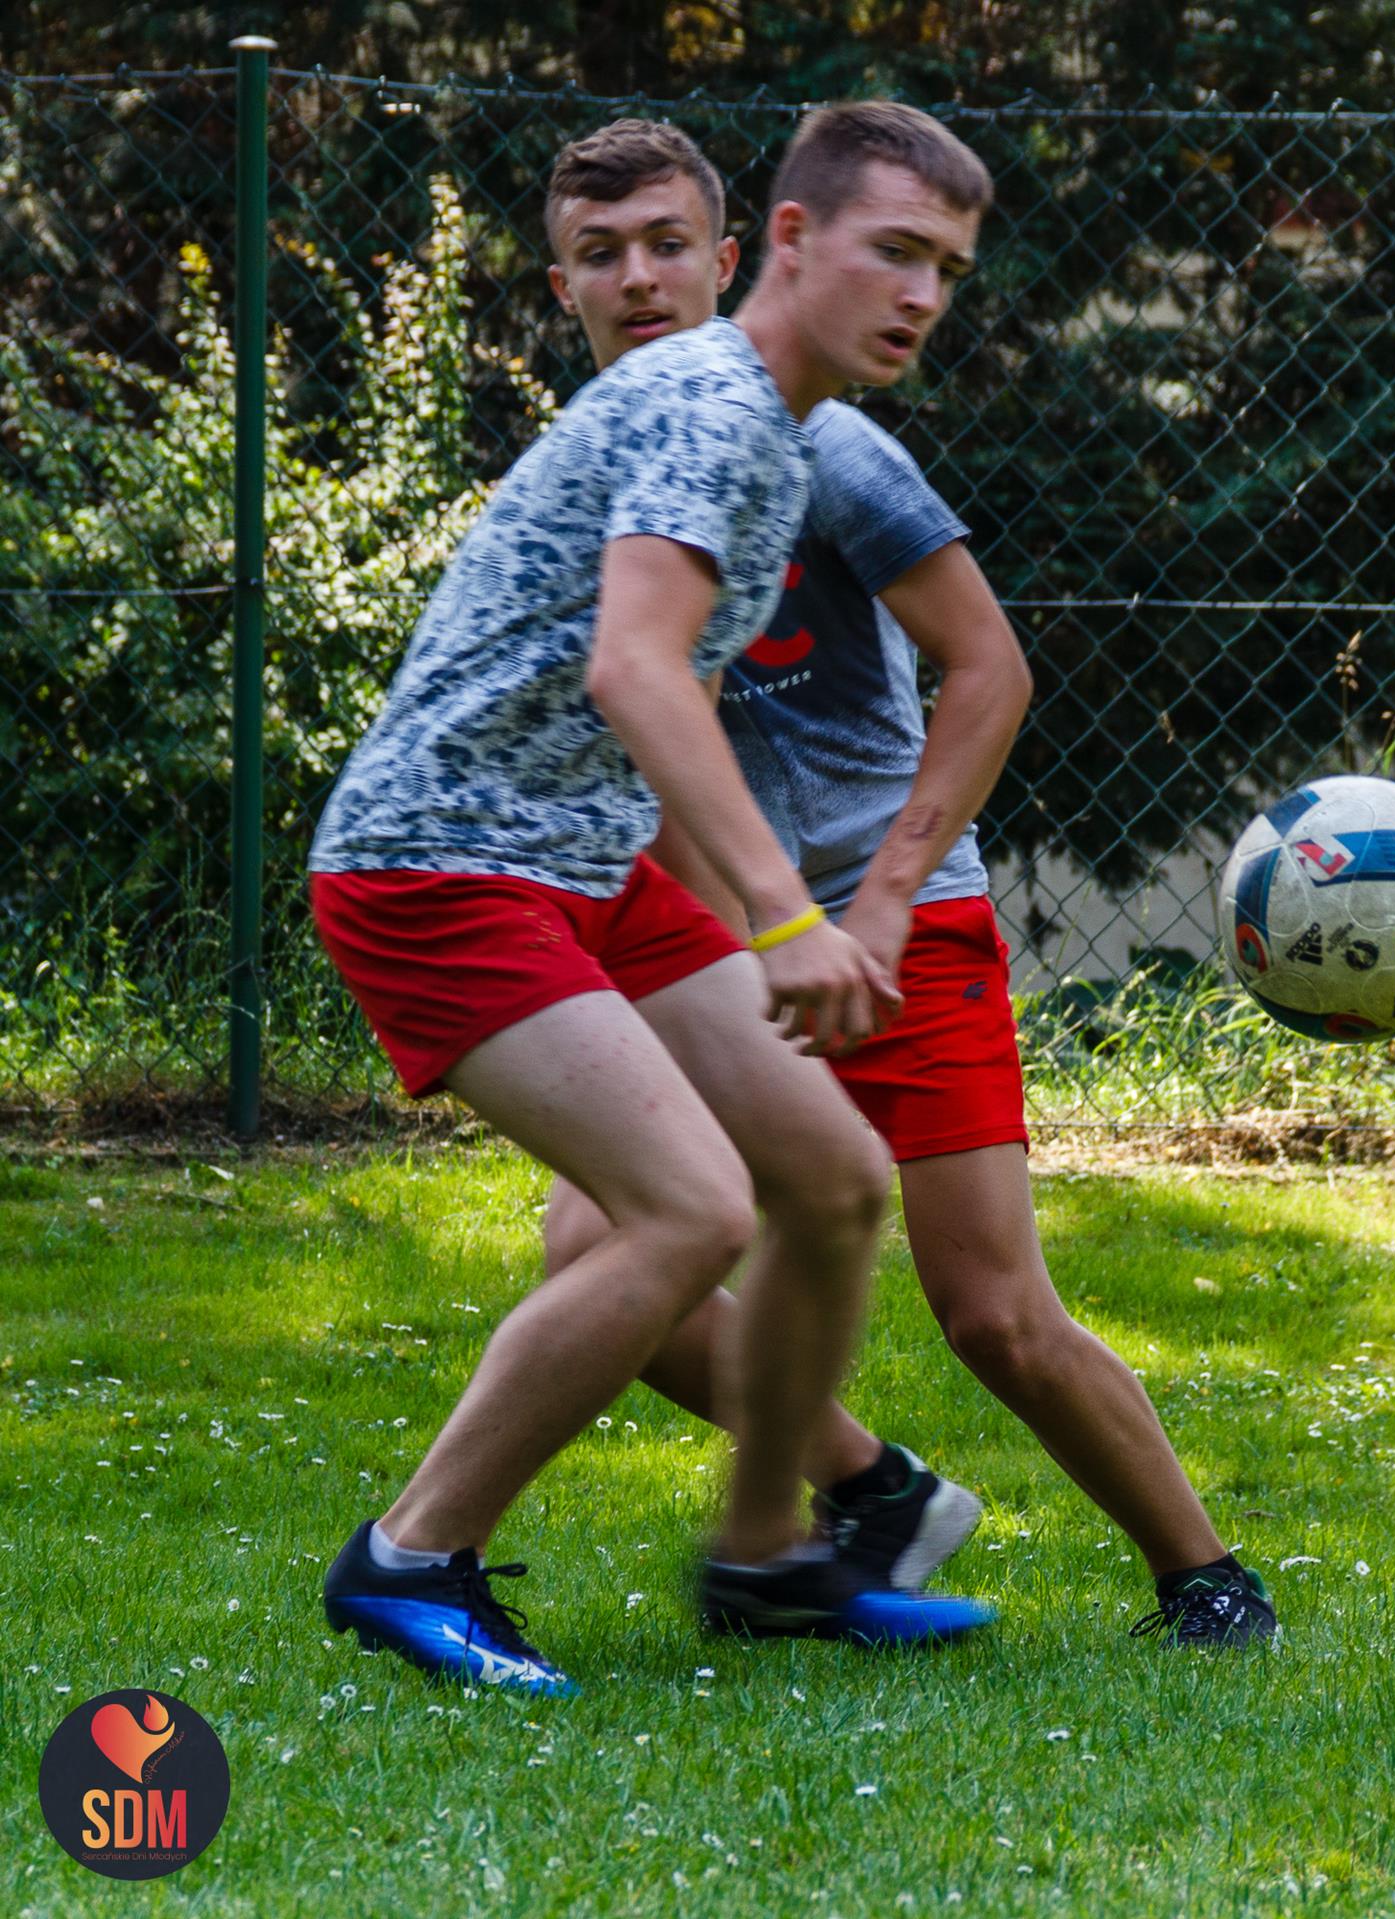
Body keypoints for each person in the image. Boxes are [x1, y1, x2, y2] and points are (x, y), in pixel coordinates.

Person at [542, 122, 1276, 1649]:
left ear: (737, 258)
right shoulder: (599, 457)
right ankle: (872, 1489)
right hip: (710, 935)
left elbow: (990, 669)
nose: (640, 281)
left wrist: (879, 899)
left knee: (994, 1313)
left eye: (669, 246)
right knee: (601, 1258)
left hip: (897, 923)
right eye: (603, 256)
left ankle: (1208, 1579)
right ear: (564, 289)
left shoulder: (828, 447)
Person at [306, 106, 998, 1697]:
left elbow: (643, 690)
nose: (920, 296)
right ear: (794, 242)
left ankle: (765, 1558)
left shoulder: (772, 423)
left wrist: (743, 928)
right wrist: (784, 917)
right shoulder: (717, 408)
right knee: (689, 1210)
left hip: (576, 863)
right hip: (439, 862)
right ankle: (411, 1557)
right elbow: (636, 669)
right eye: (894, 252)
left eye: (948, 270)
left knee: (832, 1177)